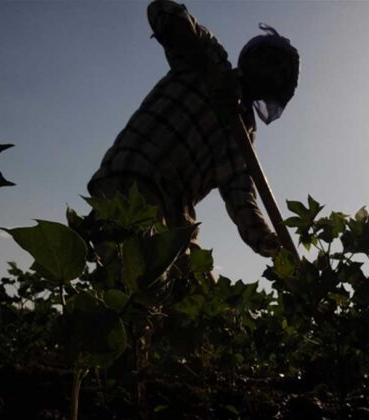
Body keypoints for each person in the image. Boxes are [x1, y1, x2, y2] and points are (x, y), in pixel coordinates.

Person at [87, 0, 300, 266]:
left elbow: (241, 196)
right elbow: (163, 9)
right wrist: (207, 67)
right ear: (254, 60)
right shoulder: (211, 59)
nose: (274, 77)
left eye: (281, 76)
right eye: (272, 66)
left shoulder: (243, 136)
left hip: (175, 215)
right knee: (142, 278)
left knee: (201, 298)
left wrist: (269, 242)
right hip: (133, 179)